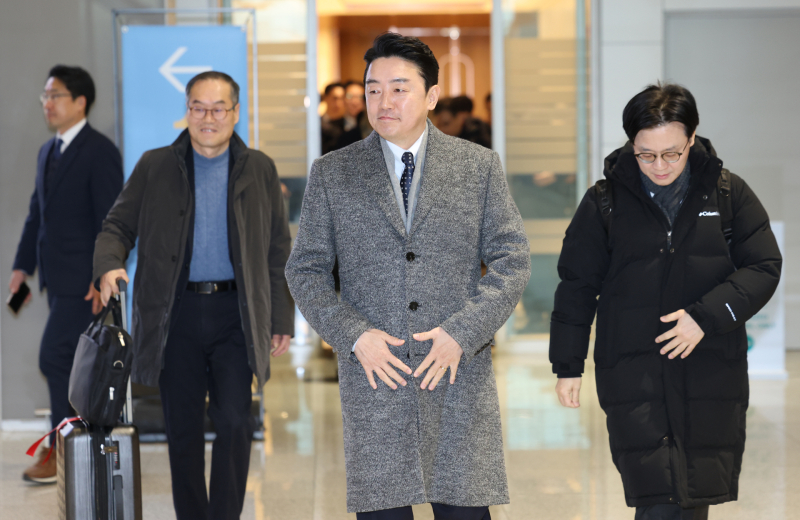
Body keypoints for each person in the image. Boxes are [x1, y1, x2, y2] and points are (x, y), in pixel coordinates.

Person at [286, 33, 531, 519]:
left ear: (432, 96)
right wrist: (354, 337)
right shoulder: (333, 173)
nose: (384, 102)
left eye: (399, 88)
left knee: (464, 509)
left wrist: (462, 334)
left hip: (457, 374)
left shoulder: (477, 166)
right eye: (373, 89)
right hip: (377, 377)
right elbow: (305, 271)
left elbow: (512, 259)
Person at [550, 83, 782, 520]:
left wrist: (704, 318)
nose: (660, 166)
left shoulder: (728, 193)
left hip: (710, 367)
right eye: (646, 155)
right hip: (632, 370)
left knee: (692, 496)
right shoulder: (604, 202)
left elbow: (764, 266)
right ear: (631, 145)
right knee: (657, 496)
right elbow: (576, 286)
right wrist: (567, 365)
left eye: (672, 153)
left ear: (692, 138)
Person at [93, 71, 294, 520]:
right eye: (198, 108)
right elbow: (117, 226)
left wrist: (281, 318)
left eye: (218, 108)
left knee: (235, 422)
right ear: (186, 111)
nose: (208, 117)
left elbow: (278, 249)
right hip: (174, 315)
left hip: (236, 314)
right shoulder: (155, 165)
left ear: (235, 113)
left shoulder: (259, 168)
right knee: (181, 430)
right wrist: (108, 263)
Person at [9, 65, 122, 484]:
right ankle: (81, 447)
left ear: (80, 101)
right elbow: (36, 215)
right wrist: (22, 266)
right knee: (73, 365)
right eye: (45, 96)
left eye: (55, 95)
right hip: (55, 280)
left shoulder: (99, 151)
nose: (47, 104)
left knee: (55, 357)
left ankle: (63, 448)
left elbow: (111, 221)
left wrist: (100, 275)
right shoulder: (47, 151)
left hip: (84, 285)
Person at [321, 82, 346, 155]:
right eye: (335, 98)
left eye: (342, 99)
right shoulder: (317, 124)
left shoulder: (347, 125)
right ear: (325, 98)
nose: (338, 103)